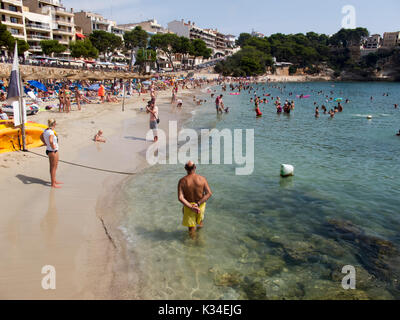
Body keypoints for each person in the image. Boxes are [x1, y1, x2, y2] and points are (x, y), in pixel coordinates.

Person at [178, 161, 212, 239]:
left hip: (189, 206)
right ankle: (201, 240)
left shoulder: (182, 181)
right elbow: (209, 193)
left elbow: (180, 197)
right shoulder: (202, 179)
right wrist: (198, 203)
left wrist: (191, 207)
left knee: (191, 228)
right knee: (200, 222)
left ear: (185, 168)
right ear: (195, 167)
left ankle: (192, 245)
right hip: (200, 205)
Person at [40, 119, 62, 189]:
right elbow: (51, 140)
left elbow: (41, 136)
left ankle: (54, 180)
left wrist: (45, 143)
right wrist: (53, 146)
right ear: (54, 124)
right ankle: (53, 183)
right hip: (53, 151)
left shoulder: (46, 130)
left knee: (53, 167)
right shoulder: (51, 132)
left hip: (49, 150)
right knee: (53, 167)